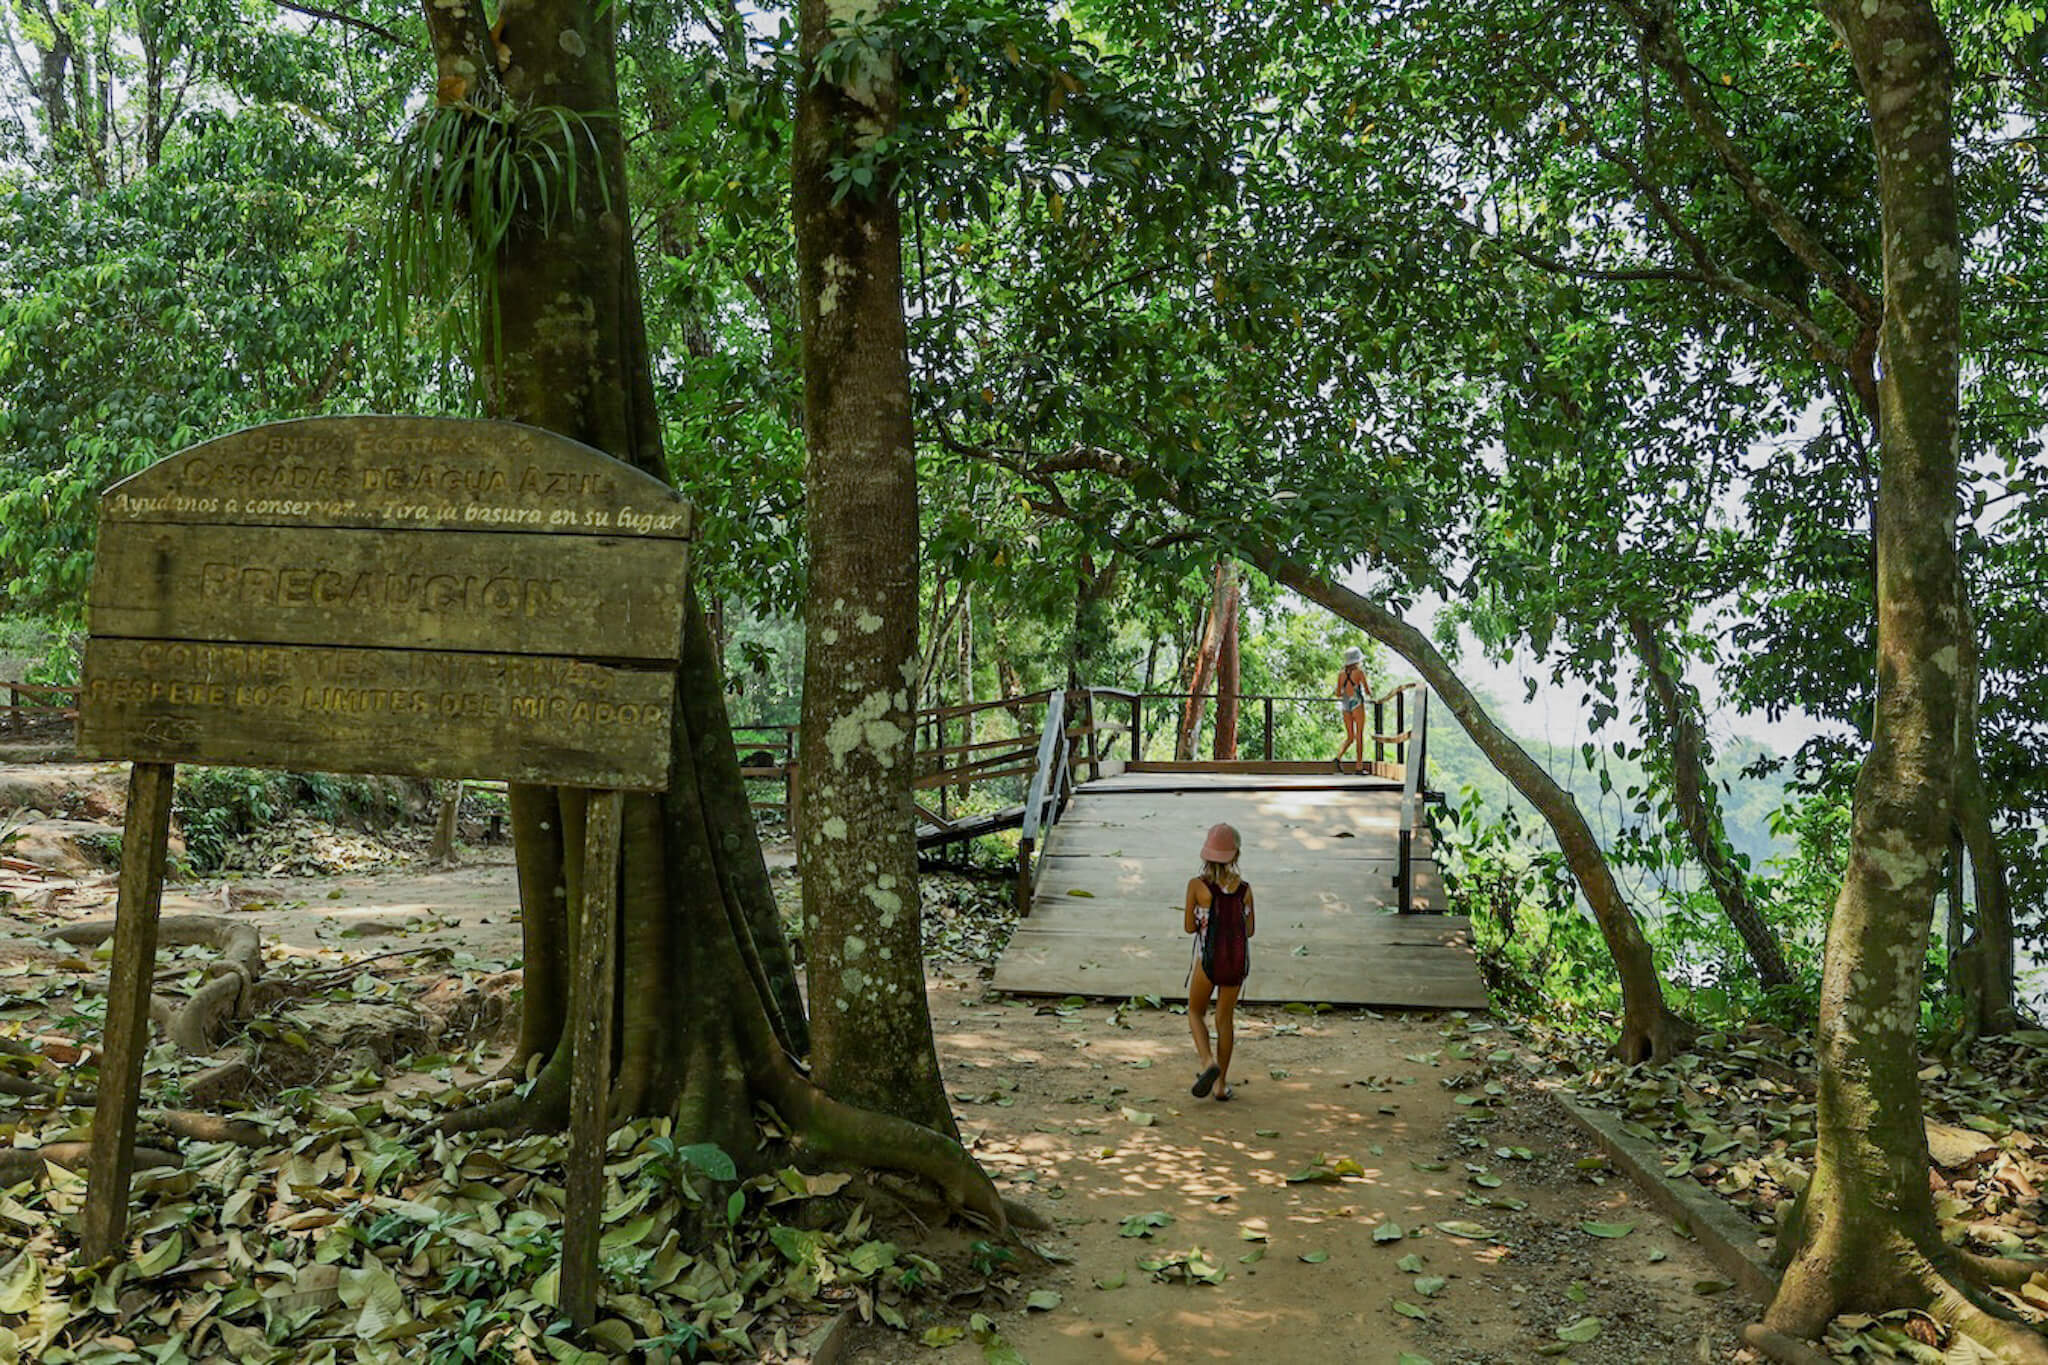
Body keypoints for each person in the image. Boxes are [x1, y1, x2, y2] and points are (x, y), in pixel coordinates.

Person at [1185, 822, 1254, 1101]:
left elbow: (1190, 927)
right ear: (1235, 855)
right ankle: (1221, 1085)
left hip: (1208, 960)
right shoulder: (1245, 889)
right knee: (1225, 1020)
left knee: (1195, 1012)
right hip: (1236, 962)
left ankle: (1207, 1062)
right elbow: (1249, 930)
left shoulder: (1197, 886)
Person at [1333, 646, 1370, 774]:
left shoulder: (1341, 674)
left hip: (1345, 705)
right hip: (1357, 704)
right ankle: (1359, 767)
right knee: (1359, 735)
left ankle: (1338, 757)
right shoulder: (1359, 673)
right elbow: (1367, 690)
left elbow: (1338, 693)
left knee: (1350, 736)